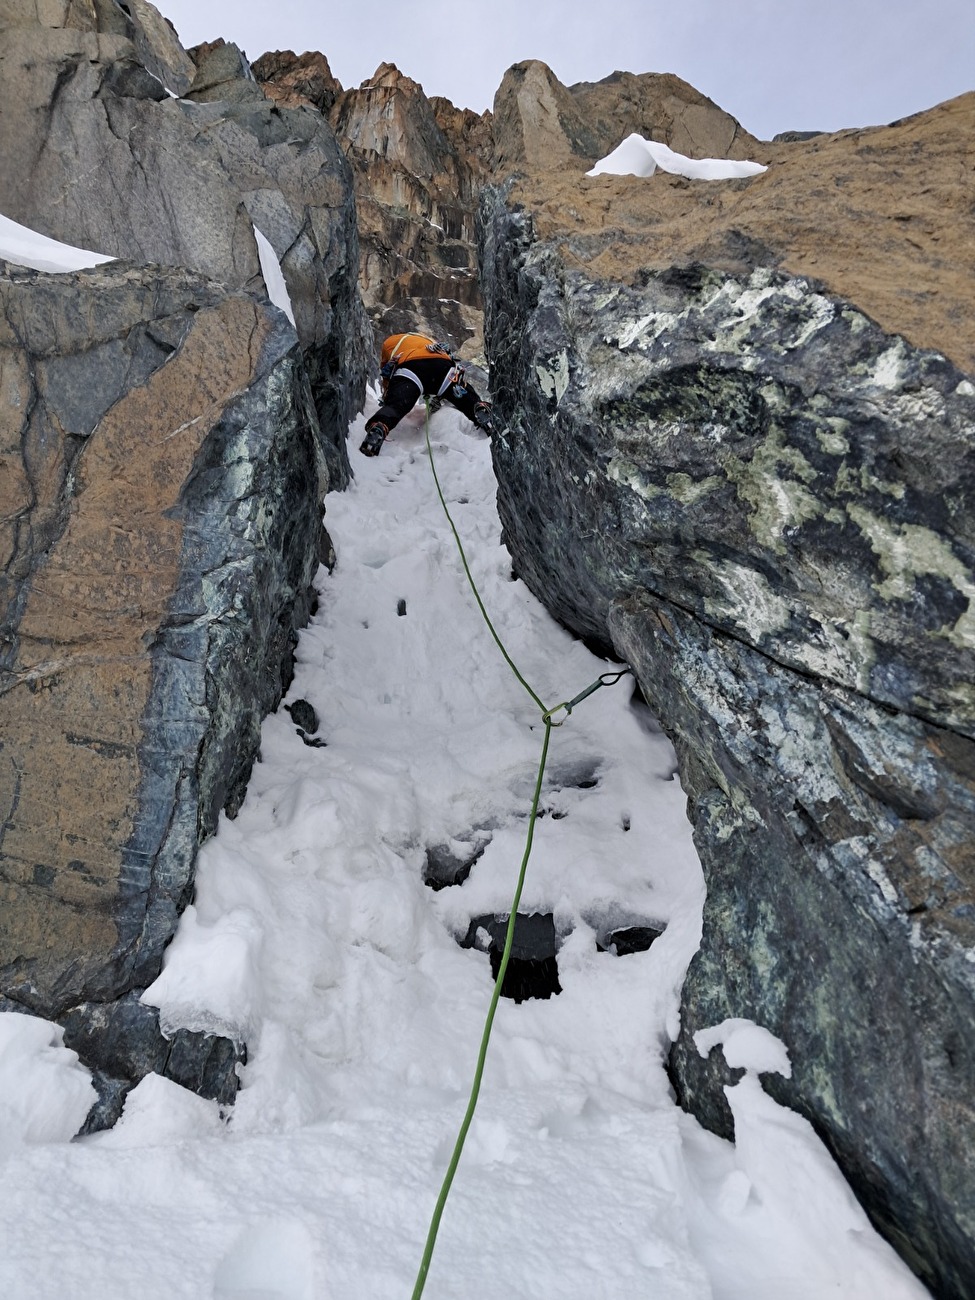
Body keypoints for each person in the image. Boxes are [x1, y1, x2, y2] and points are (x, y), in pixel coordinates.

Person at [359, 332, 496, 456]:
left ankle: (380, 425)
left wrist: (388, 397)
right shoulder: (428, 340)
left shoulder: (390, 342)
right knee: (460, 392)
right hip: (441, 365)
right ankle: (477, 407)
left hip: (411, 368)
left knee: (396, 406)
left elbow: (387, 374)